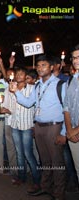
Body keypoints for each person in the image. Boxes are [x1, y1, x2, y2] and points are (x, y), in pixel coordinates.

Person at [9, 55, 66, 200]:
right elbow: (28, 103)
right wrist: (16, 92)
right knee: (45, 160)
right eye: (38, 66)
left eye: (44, 65)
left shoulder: (60, 84)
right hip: (39, 126)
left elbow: (67, 109)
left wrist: (64, 132)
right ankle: (45, 187)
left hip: (54, 126)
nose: (40, 68)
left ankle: (59, 193)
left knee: (57, 162)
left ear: (52, 67)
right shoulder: (38, 86)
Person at [2, 67, 41, 188]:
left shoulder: (32, 88)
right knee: (19, 153)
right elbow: (12, 107)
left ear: (26, 76)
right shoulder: (11, 88)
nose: (18, 75)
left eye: (21, 73)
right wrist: (6, 109)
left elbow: (29, 103)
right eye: (17, 73)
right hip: (14, 124)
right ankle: (21, 177)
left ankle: (37, 180)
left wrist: (16, 92)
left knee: (28, 154)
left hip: (26, 126)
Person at [64, 44, 79, 187]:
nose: (75, 60)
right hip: (73, 134)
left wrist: (75, 130)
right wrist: (69, 130)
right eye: (74, 57)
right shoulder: (73, 80)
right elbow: (67, 107)